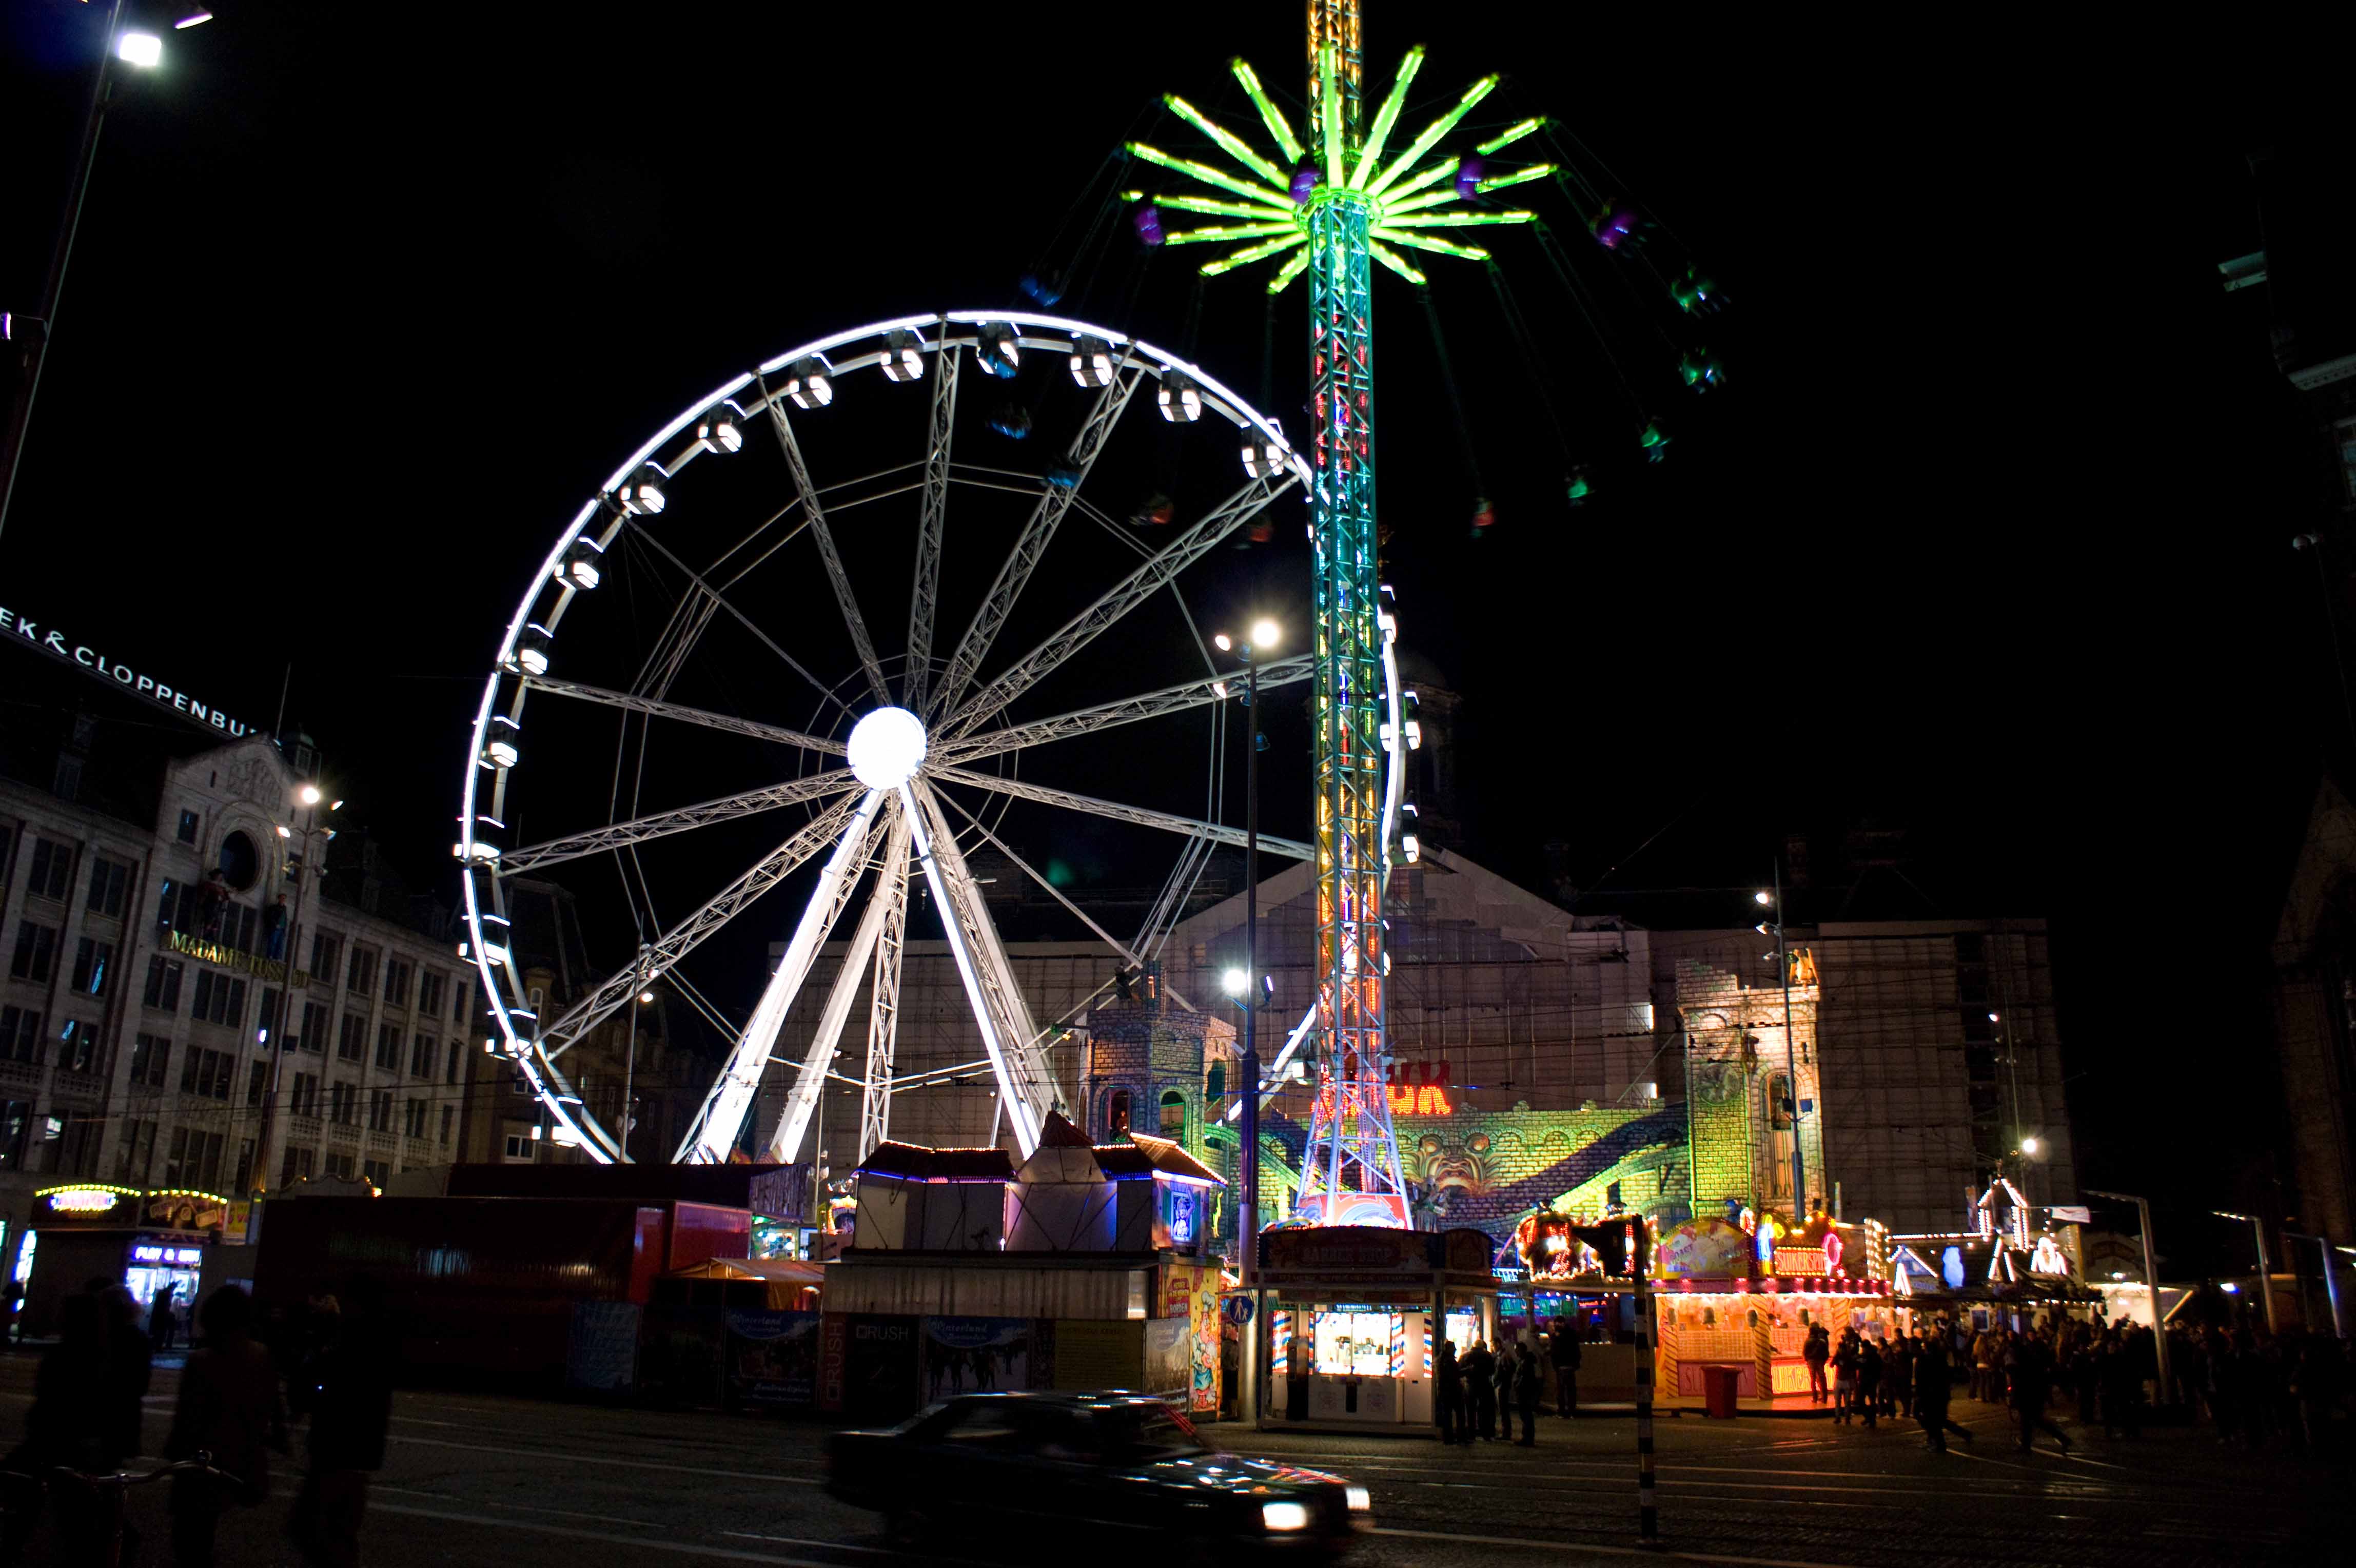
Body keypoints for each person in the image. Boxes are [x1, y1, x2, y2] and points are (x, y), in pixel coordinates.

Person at [166, 1286, 287, 1567]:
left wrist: (176, 1453)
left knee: (191, 1540)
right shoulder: (261, 1356)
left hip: (201, 1460)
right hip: (240, 1457)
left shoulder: (202, 1361)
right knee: (202, 1536)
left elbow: (188, 1418)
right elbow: (272, 1407)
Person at [289, 1276, 395, 1568]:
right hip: (360, 1455)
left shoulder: (342, 1345)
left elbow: (307, 1389)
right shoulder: (380, 1345)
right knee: (343, 1533)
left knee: (315, 1529)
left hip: (333, 1451)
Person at [4, 1291, 112, 1559]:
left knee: (30, 1505)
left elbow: (47, 1399)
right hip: (76, 1443)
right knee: (73, 1516)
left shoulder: (64, 1355)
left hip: (52, 1441)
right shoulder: (99, 1354)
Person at [2008, 1332, 2071, 1455]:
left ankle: (2028, 1445)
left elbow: (2019, 1380)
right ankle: (2062, 1439)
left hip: (2029, 1395)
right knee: (2034, 1421)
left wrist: (2015, 1395)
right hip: (2033, 1395)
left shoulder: (2021, 1364)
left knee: (2030, 1421)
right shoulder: (2029, 1358)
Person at [1913, 1334, 1973, 1453]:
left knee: (1936, 1419)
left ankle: (1939, 1442)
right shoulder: (1937, 1358)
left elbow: (1928, 1378)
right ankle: (1949, 1438)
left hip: (1934, 1393)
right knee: (1938, 1419)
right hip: (1939, 1393)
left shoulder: (1929, 1359)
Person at [1461, 1338, 1496, 1441]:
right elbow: (1492, 1370)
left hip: (1470, 1385)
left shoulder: (1466, 1355)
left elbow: (1459, 1370)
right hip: (1484, 1385)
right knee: (1484, 1411)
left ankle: (1471, 1435)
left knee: (1471, 1411)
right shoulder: (1488, 1356)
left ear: (1473, 1346)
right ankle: (1485, 1434)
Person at [1549, 1313, 1582, 1419]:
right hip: (1570, 1366)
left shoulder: (1557, 1336)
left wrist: (1555, 1365)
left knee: (1561, 1390)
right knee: (1571, 1390)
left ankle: (1562, 1411)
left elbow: (1554, 1351)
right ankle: (1571, 1411)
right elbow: (1576, 1351)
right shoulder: (1572, 1334)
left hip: (1561, 1366)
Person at [1433, 1336, 1463, 1444]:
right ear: (1449, 1349)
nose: (1455, 1350)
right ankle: (1458, 1437)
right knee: (1459, 1414)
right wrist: (1468, 1370)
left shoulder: (1441, 1360)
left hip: (1445, 1391)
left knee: (1447, 1415)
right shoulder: (1449, 1361)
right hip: (1452, 1391)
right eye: (1453, 1348)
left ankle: (1449, 1437)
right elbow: (1455, 1374)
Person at [1512, 1342, 1542, 1446]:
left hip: (1524, 1393)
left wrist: (1517, 1387)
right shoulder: (1525, 1361)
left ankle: (1527, 1439)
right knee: (1526, 1416)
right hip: (1525, 1392)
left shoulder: (1525, 1363)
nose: (1515, 1352)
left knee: (1526, 1416)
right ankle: (1527, 1438)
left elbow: (1524, 1378)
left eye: (1516, 1350)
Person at [1831, 1332, 1859, 1425]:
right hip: (1840, 1380)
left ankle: (1846, 1418)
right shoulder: (1840, 1357)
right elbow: (1831, 1365)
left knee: (1846, 1402)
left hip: (1845, 1381)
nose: (1840, 1351)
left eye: (1841, 1349)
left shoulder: (1848, 1358)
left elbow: (1852, 1368)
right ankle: (1840, 1417)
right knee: (1839, 1401)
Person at [1857, 1339, 1883, 1430]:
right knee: (1862, 1400)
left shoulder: (1873, 1356)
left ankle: (1871, 1419)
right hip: (1866, 1380)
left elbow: (1879, 1368)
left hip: (1870, 1381)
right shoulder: (1865, 1356)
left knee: (1870, 1401)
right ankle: (1870, 1418)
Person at [1803, 1323, 1830, 1405]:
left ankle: (1815, 1397)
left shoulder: (1808, 1341)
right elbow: (1826, 1353)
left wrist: (1807, 1360)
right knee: (1822, 1378)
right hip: (1820, 1361)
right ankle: (1825, 1397)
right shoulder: (1822, 1341)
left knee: (1813, 1379)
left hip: (1811, 1361)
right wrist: (1823, 1360)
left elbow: (1805, 1352)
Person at [151, 1286, 179, 1352]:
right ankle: (161, 1347)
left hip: (159, 1316)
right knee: (162, 1333)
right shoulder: (167, 1294)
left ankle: (157, 1347)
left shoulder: (161, 1295)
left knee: (158, 1333)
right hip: (163, 1317)